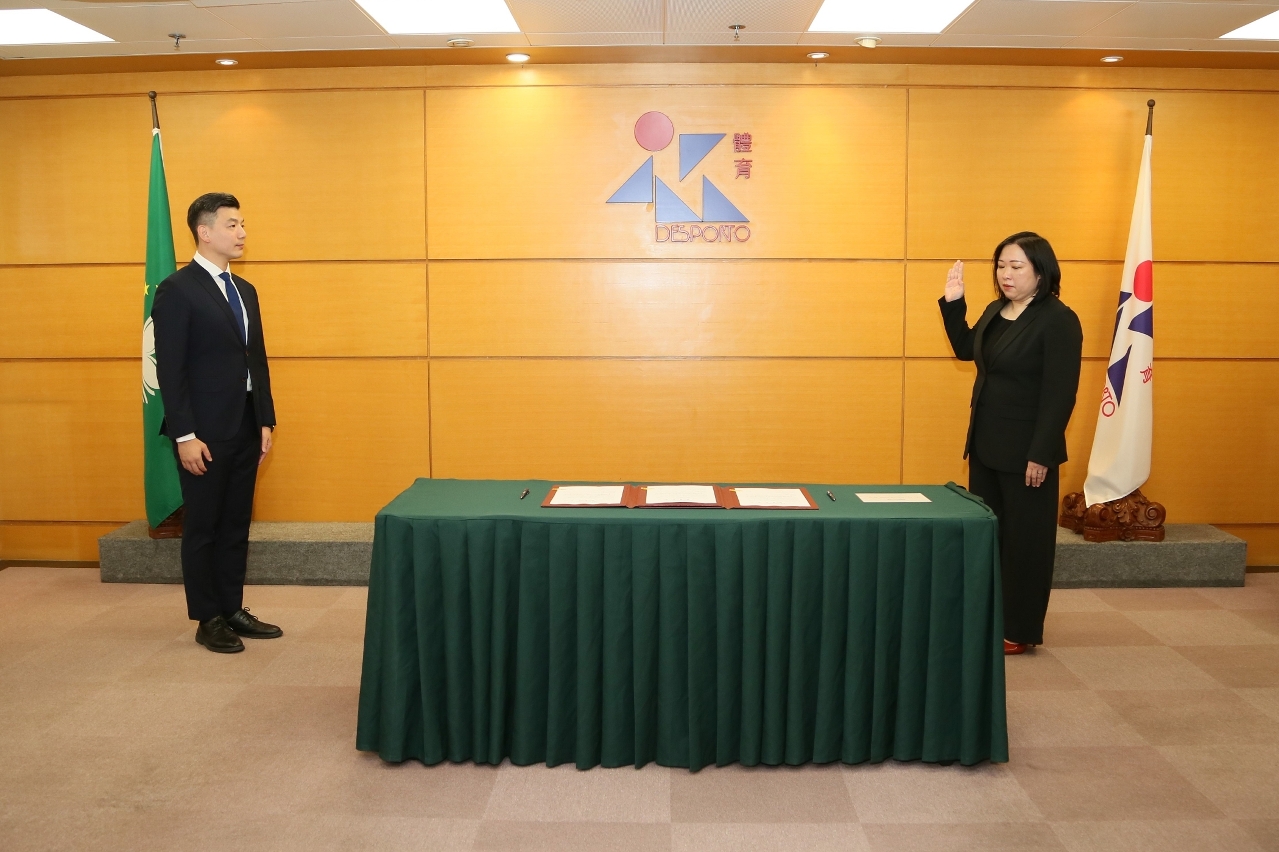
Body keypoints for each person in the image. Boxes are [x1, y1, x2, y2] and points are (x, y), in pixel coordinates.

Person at [939, 232, 1083, 655]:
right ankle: (990, 618)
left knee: (1026, 544)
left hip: (1027, 455)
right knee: (991, 536)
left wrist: (1041, 453)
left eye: (1017, 266)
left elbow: (1061, 394)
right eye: (1001, 265)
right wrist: (954, 303)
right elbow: (966, 350)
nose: (1006, 274)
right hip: (986, 447)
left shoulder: (1058, 320)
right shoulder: (995, 310)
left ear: (1041, 271)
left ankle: (1020, 629)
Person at [152, 193, 282, 653]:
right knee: (204, 525)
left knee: (235, 523)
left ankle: (231, 607)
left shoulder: (245, 290)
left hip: (245, 424)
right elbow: (171, 370)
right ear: (204, 232)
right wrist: (185, 435)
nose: (242, 232)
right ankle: (207, 617)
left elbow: (256, 360)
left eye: (242, 224)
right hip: (202, 432)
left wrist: (264, 419)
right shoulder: (177, 289)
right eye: (232, 224)